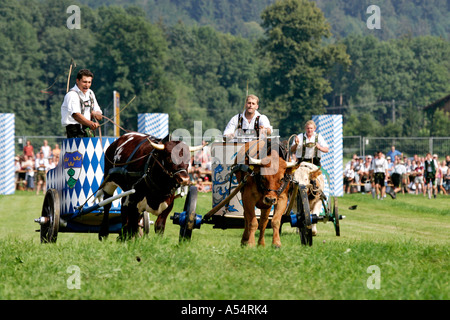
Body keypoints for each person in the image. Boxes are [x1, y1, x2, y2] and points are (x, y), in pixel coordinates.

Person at [61, 69, 103, 138]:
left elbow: (99, 115)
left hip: (88, 130)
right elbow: (76, 115)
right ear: (77, 81)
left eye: (89, 82)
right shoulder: (72, 94)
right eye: (84, 82)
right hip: (74, 132)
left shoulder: (90, 93)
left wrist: (96, 114)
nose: (87, 85)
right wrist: (91, 123)